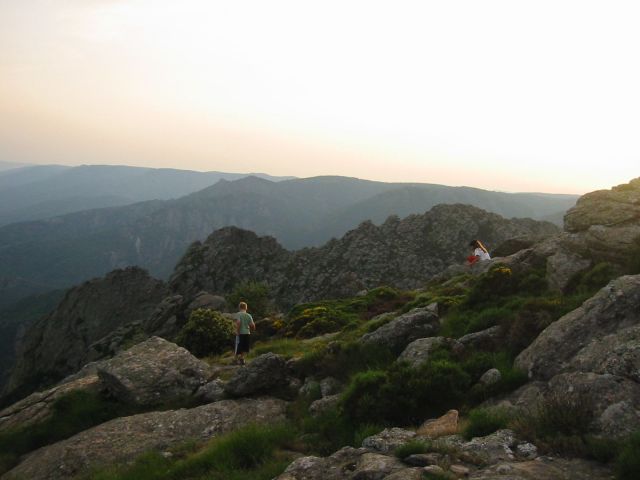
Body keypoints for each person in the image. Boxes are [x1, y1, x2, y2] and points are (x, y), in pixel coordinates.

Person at [234, 301, 255, 365]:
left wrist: (237, 331)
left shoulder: (238, 314)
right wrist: (252, 330)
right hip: (247, 333)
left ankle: (236, 359)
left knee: (238, 346)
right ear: (246, 308)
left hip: (241, 333)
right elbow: (252, 325)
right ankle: (242, 359)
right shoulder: (249, 315)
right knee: (244, 347)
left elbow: (238, 323)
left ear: (239, 307)